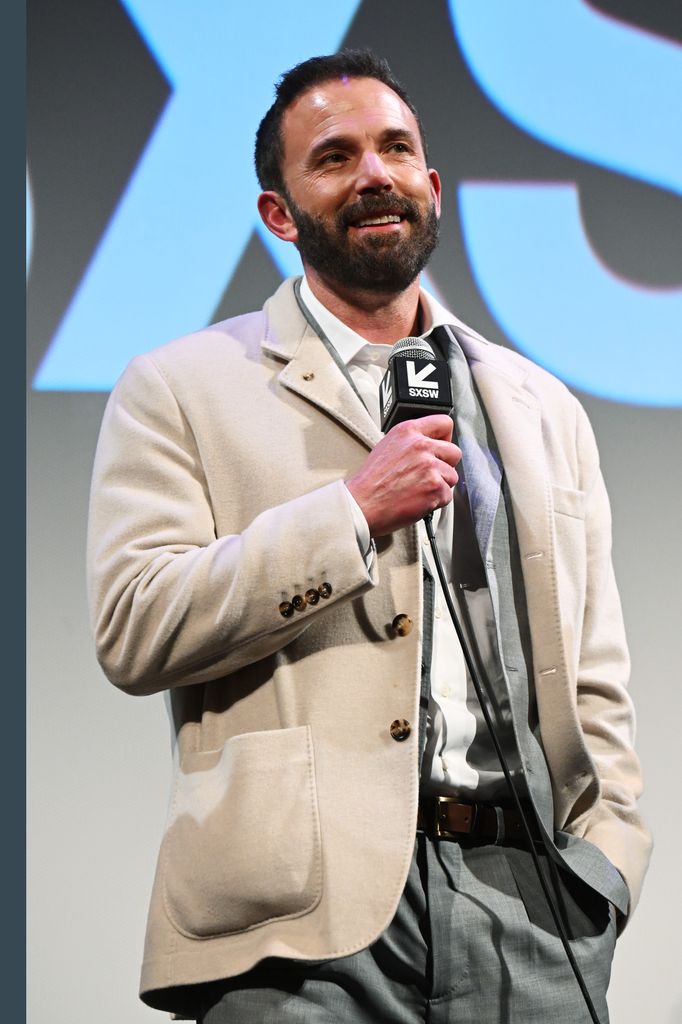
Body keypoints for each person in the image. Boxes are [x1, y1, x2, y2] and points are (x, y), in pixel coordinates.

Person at [87, 50, 651, 1023]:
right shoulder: (179, 387)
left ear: (432, 188)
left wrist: (607, 864)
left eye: (395, 150)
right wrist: (348, 514)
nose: (374, 174)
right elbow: (136, 625)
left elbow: (595, 677)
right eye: (334, 157)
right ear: (279, 213)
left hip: (533, 905)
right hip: (300, 925)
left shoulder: (539, 404)